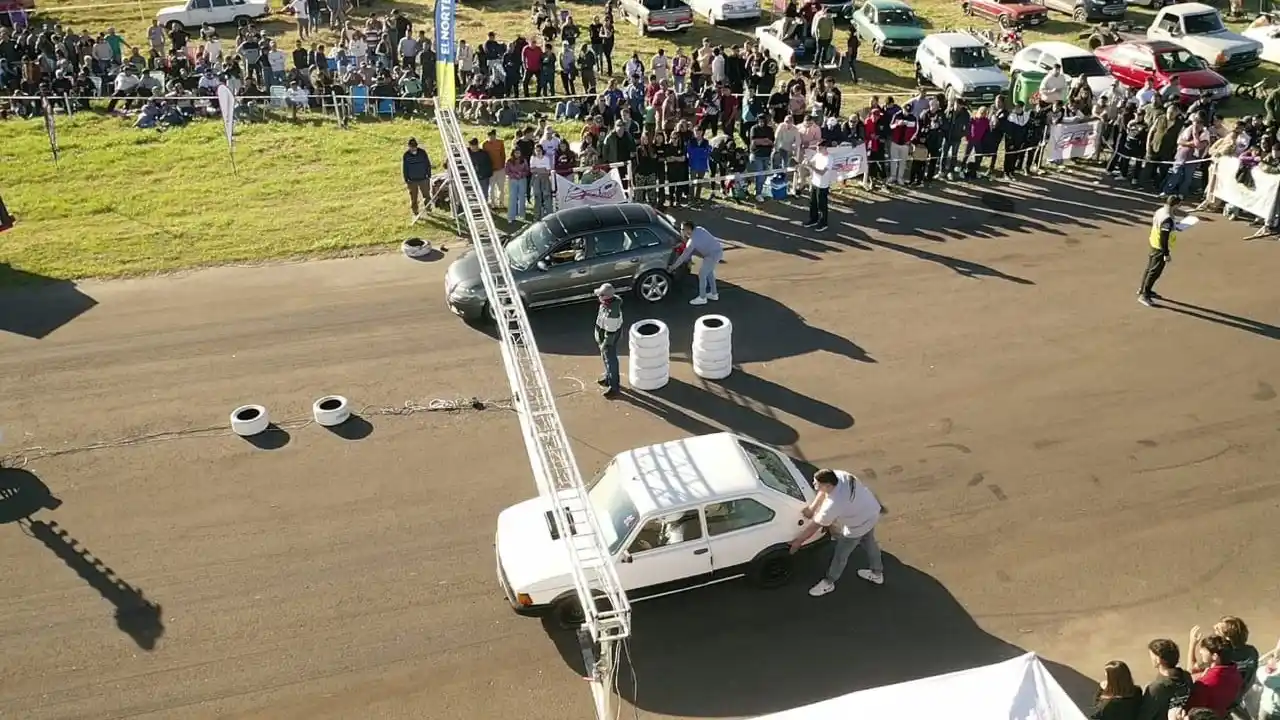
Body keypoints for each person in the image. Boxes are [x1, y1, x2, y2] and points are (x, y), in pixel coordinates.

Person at [789, 468, 885, 597]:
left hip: (857, 524)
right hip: (871, 511)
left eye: (816, 483)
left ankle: (829, 582)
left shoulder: (834, 504)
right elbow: (824, 491)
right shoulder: (840, 475)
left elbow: (815, 525)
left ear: (828, 484)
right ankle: (877, 573)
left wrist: (797, 542)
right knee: (869, 542)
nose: (814, 484)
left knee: (841, 554)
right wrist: (812, 508)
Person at [1187, 634, 1245, 718]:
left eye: (1204, 650)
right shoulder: (1236, 674)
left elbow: (1192, 710)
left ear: (1215, 656)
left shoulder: (1204, 683)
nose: (1200, 652)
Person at [669, 221, 723, 306]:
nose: (681, 230)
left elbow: (683, 256)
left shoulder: (692, 242)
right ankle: (714, 294)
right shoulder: (700, 229)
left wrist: (673, 267)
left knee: (702, 274)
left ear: (688, 230)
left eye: (682, 229)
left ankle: (702, 298)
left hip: (711, 256)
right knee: (709, 273)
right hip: (717, 251)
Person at [1138, 194, 1178, 307]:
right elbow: (1164, 237)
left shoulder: (1160, 211)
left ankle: (1143, 289)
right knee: (1154, 272)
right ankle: (1144, 295)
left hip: (1153, 242)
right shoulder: (1167, 219)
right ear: (1175, 205)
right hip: (1160, 247)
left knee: (1149, 269)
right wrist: (1166, 254)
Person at [1139, 639, 1194, 720]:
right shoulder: (1186, 676)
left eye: (1151, 655)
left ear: (1158, 660)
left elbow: (1145, 716)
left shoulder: (1156, 688)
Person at [593, 283, 624, 398]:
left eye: (600, 295)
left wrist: (604, 344)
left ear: (605, 297)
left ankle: (614, 386)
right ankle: (608, 378)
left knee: (611, 361)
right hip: (604, 337)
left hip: (609, 340)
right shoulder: (605, 305)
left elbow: (610, 334)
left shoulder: (612, 313)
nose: (598, 297)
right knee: (606, 359)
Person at [802, 143, 833, 231]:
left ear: (825, 147)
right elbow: (810, 162)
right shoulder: (817, 155)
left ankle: (824, 223)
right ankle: (813, 219)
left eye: (820, 147)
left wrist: (811, 167)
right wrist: (806, 161)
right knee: (813, 203)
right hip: (815, 183)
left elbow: (822, 172)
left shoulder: (829, 158)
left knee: (822, 205)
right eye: (817, 147)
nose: (818, 149)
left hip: (823, 185)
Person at [402, 137, 432, 222]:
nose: (413, 148)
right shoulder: (406, 155)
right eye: (411, 147)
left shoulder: (422, 153)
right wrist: (406, 179)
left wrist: (428, 175)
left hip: (423, 179)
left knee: (426, 195)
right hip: (412, 181)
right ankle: (415, 212)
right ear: (409, 146)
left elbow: (427, 164)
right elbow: (405, 168)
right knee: (413, 198)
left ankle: (428, 209)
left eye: (414, 146)